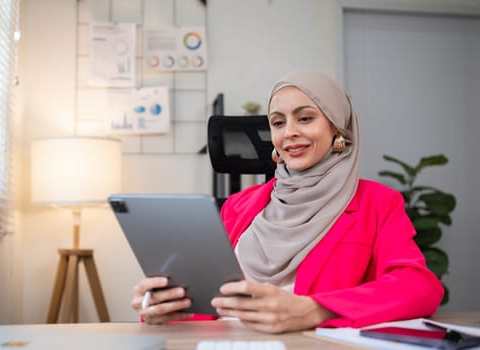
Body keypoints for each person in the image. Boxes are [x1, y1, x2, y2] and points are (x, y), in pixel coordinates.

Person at [131, 71, 444, 333]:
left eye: (305, 118)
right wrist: (168, 308)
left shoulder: (378, 202)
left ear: (337, 127)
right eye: (278, 123)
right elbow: (213, 301)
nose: (289, 133)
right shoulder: (238, 206)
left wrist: (315, 311)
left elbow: (419, 288)